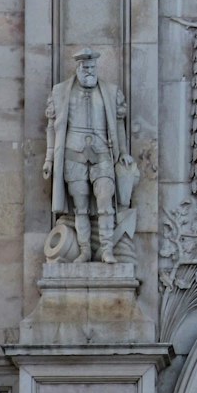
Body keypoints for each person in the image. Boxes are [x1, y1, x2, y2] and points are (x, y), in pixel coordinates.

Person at [44, 49, 130, 264]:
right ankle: (85, 251)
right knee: (80, 208)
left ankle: (107, 249)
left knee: (105, 202)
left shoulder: (110, 91)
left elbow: (119, 125)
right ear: (78, 68)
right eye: (85, 68)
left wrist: (124, 153)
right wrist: (49, 158)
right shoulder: (61, 91)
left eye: (92, 67)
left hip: (102, 154)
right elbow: (51, 128)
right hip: (73, 156)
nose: (89, 71)